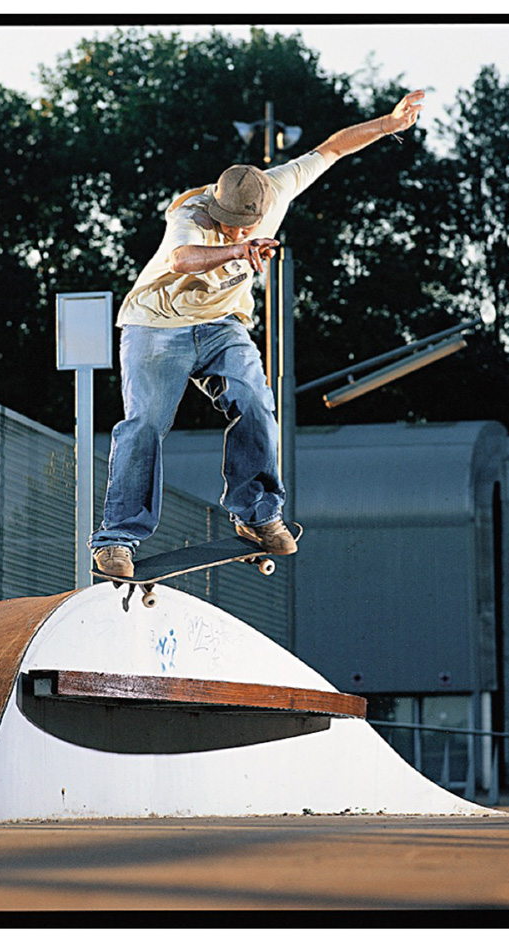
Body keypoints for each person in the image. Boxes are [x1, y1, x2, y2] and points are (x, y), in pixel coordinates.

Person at [90, 90, 426, 578]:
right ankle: (116, 540)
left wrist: (386, 125)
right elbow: (183, 261)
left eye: (239, 230)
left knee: (255, 401)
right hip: (156, 323)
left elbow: (331, 148)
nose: (231, 233)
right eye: (226, 227)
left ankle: (257, 515)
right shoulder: (190, 215)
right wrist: (233, 254)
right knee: (145, 424)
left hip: (222, 324)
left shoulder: (276, 187)